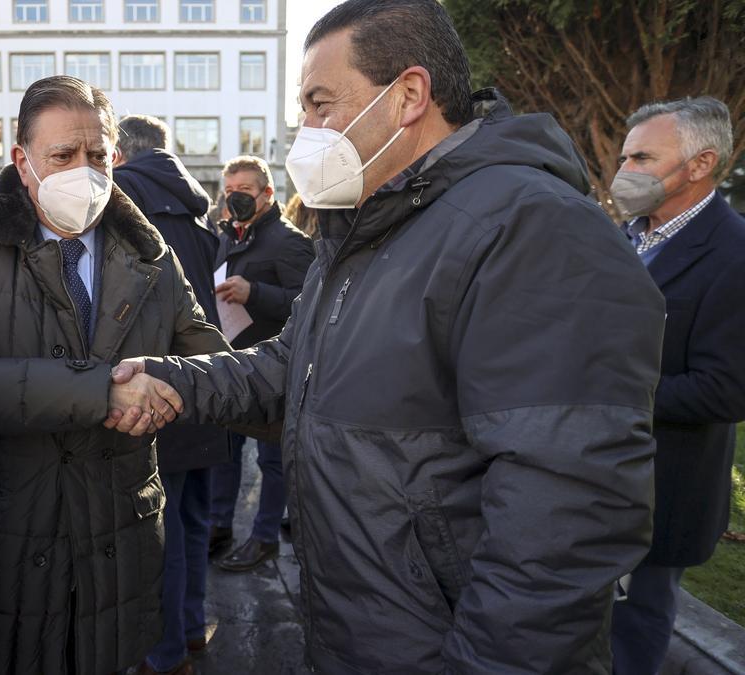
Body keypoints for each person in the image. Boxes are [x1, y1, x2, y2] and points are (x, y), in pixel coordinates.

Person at [106, 1, 667, 671]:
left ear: (407, 96)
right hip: (364, 631)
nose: (305, 130)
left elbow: (564, 524)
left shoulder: (530, 229)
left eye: (319, 105)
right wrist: (171, 379)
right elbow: (295, 372)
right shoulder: (373, 229)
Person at [0, 75, 228, 675]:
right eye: (62, 155)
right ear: (22, 160)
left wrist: (174, 383)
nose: (82, 171)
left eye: (97, 155)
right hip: (3, 547)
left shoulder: (151, 256)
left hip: (116, 551)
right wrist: (101, 390)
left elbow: (209, 361)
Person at [609, 96, 745, 675]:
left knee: (632, 637)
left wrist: (609, 395)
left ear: (699, 164)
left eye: (641, 158)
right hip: (591, 476)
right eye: (624, 157)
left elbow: (727, 389)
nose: (624, 172)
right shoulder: (625, 235)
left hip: (664, 492)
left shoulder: (735, 254)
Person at [113, 114, 229, 674]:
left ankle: (163, 653)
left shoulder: (120, 198)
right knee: (191, 518)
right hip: (206, 381)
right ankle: (189, 630)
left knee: (159, 533)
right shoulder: (199, 205)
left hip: (153, 382)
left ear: (120, 154)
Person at [209, 156, 313, 572]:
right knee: (225, 452)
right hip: (232, 365)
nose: (235, 199)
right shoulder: (227, 237)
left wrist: (255, 292)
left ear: (267, 195)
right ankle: (219, 526)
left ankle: (265, 536)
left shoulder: (289, 241)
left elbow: (306, 305)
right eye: (230, 190)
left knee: (273, 461)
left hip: (273, 370)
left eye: (245, 192)